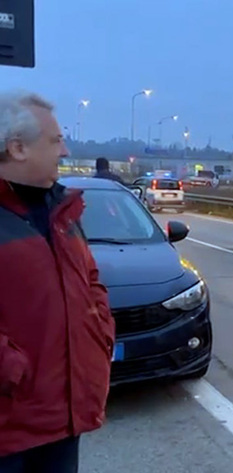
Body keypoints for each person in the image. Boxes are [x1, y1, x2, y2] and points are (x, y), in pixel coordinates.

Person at [0, 91, 115, 472]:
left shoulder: (62, 210)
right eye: (55, 141)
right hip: (10, 423)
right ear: (17, 148)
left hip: (64, 418)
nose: (64, 151)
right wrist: (9, 368)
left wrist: (100, 327)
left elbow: (90, 277)